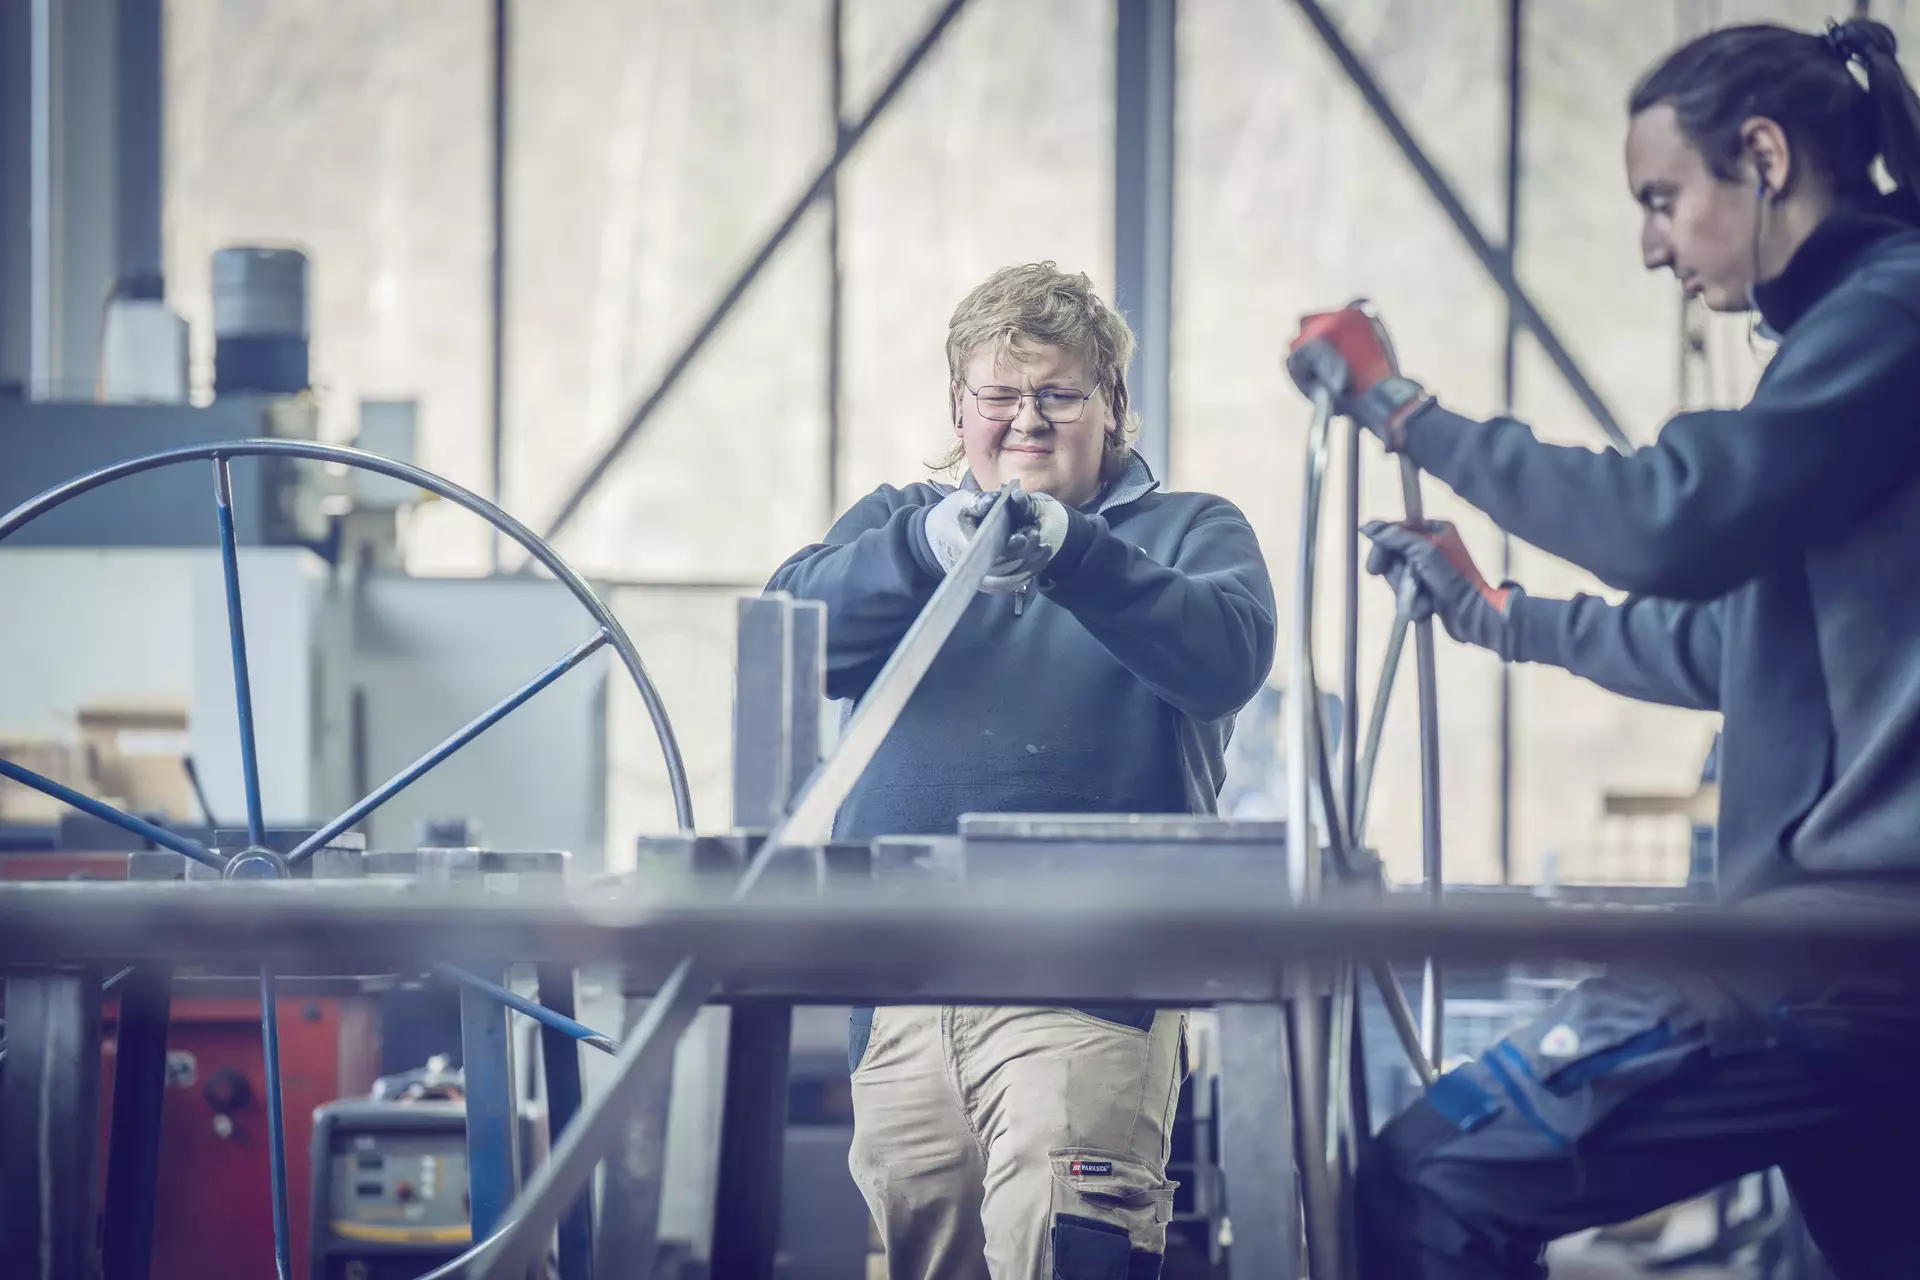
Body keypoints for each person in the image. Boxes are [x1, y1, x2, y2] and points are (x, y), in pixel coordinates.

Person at [1286, 17, 1920, 1279]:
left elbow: (1671, 519)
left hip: (1852, 961)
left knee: (1430, 1180)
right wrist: (1498, 615)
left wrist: (1407, 412)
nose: (1649, 245)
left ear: (1763, 154)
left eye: (1663, 198)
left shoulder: (1894, 317)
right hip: (1851, 958)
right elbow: (1727, 645)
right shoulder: (1852, 343)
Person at [768, 262, 1276, 1279]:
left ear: (1112, 407)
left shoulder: (1188, 532)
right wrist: (922, 548)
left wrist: (1075, 552)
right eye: (998, 396)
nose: (1027, 420)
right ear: (959, 411)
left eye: (1059, 394)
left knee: (1063, 1243)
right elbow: (792, 630)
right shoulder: (899, 522)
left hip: (1088, 987)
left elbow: (1226, 658)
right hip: (907, 988)